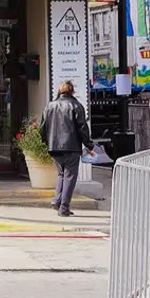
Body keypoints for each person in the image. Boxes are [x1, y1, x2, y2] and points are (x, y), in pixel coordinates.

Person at [40, 80, 90, 218]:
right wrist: (89, 145)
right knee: (69, 176)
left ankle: (57, 201)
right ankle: (64, 208)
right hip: (72, 147)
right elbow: (82, 128)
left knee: (61, 174)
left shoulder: (49, 106)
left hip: (54, 147)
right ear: (72, 91)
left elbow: (43, 128)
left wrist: (47, 143)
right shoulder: (76, 105)